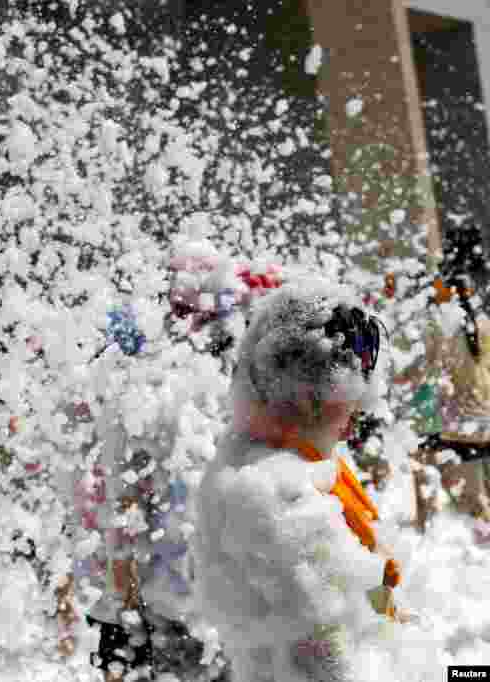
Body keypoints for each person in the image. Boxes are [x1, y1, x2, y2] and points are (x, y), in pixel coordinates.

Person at [195, 282, 442, 682]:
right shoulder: (278, 495)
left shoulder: (282, 462)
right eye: (351, 389)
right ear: (309, 394)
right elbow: (334, 660)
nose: (359, 409)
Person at [394, 276, 490, 532]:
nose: (436, 294)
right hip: (482, 418)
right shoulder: (482, 324)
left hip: (457, 422)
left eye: (441, 291)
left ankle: (426, 524)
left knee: (427, 466)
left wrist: (402, 377)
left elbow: (429, 367)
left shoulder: (445, 330)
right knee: (475, 489)